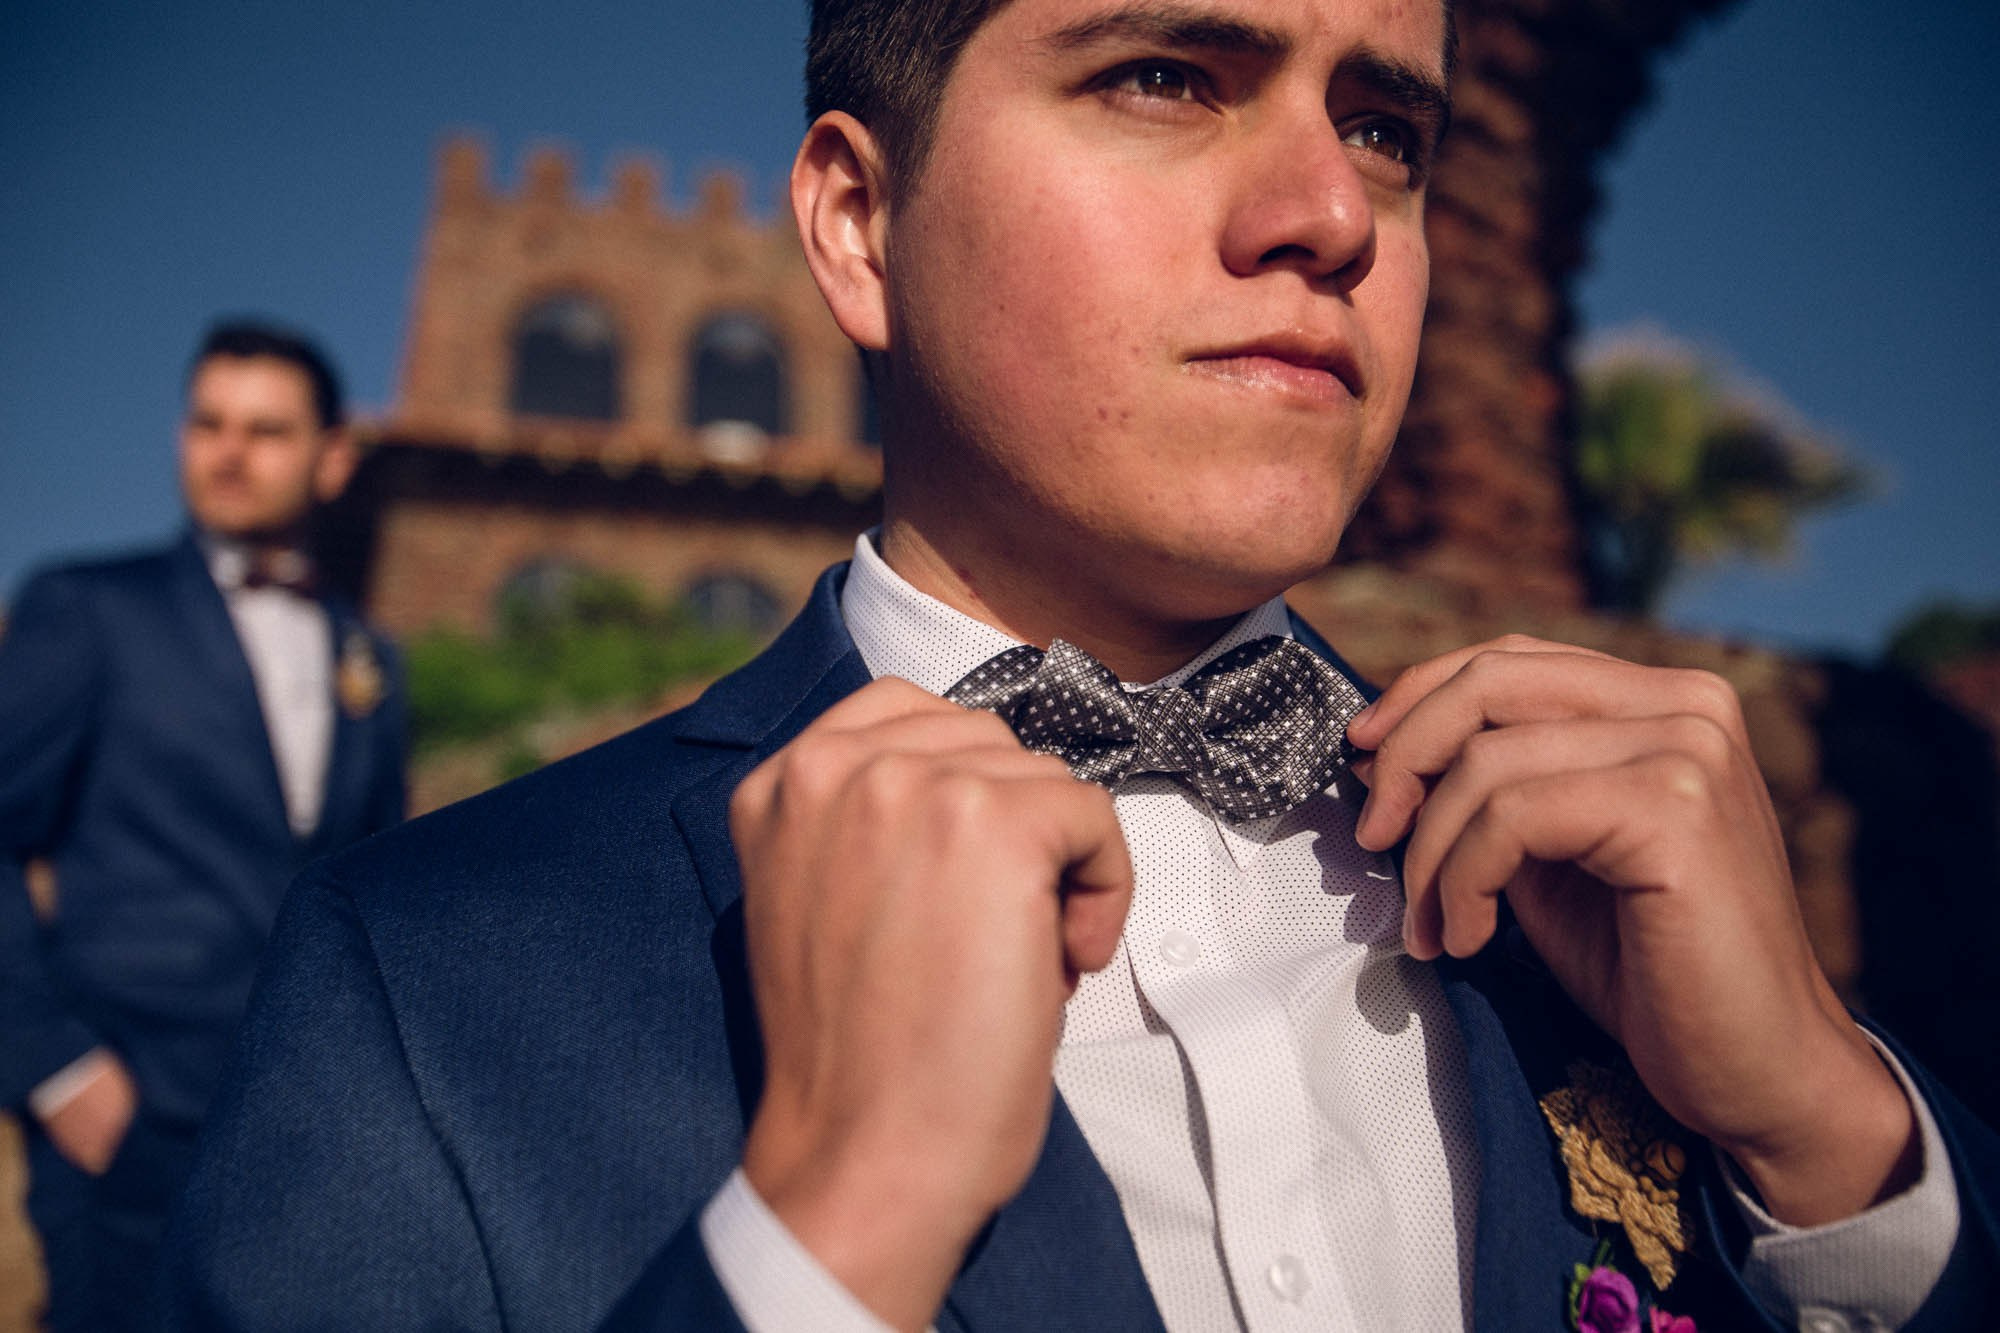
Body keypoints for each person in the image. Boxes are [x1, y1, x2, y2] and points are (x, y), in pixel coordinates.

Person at [162, 2, 1997, 1330]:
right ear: (859, 226)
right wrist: (828, 1236)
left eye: (1389, 129)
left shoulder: (1609, 911)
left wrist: (1839, 1150)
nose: (1333, 213)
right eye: (1165, 77)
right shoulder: (417, 988)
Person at [0, 320, 407, 1331]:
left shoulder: (370, 656)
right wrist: (56, 1067)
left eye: (265, 429)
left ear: (331, 457)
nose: (227, 450)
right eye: (207, 422)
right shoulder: (87, 607)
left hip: (295, 1125)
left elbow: (370, 883)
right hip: (123, 1119)